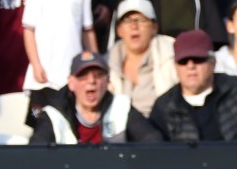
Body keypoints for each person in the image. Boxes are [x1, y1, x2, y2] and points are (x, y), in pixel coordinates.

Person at [149, 29, 237, 141]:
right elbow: (157, 155)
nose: (190, 66)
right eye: (183, 61)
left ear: (213, 62)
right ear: (175, 66)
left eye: (198, 59)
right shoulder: (165, 106)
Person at [22, 0, 98, 115]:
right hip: (44, 78)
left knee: (71, 125)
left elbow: (87, 32)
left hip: (72, 77)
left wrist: (95, 65)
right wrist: (36, 65)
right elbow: (28, 32)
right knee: (41, 128)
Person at [30, 50, 162, 144]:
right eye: (83, 76)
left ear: (108, 81)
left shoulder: (122, 107)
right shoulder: (54, 115)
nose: (91, 80)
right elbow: (36, 156)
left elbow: (152, 141)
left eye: (98, 75)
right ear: (71, 83)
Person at [106, 0, 177, 117]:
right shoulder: (105, 63)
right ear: (119, 30)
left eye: (141, 20)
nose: (134, 26)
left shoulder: (174, 53)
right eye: (127, 20)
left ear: (154, 27)